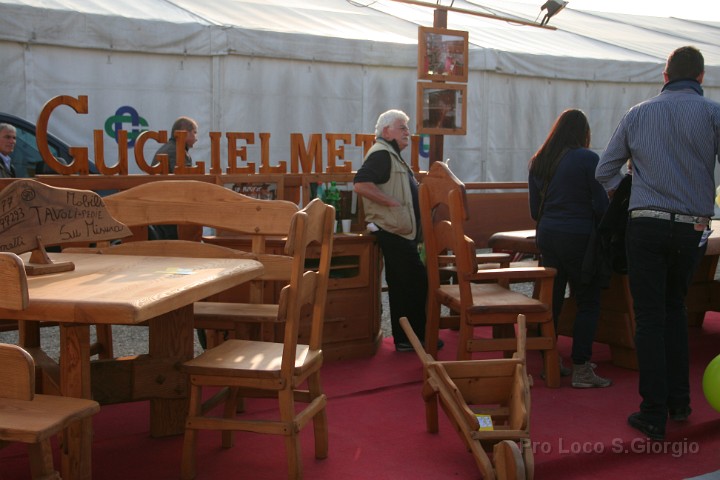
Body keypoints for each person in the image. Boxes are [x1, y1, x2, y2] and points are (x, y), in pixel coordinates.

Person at [596, 46, 720, 441]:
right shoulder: (713, 112)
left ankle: (652, 413)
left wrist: (626, 192)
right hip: (692, 227)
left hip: (646, 224)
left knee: (649, 317)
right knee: (675, 309)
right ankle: (680, 402)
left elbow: (604, 170)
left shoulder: (638, 113)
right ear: (700, 77)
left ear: (665, 76)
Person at [528, 108, 612, 388]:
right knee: (587, 300)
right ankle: (581, 368)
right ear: (583, 133)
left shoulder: (539, 161)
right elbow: (601, 206)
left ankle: (551, 363)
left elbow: (534, 210)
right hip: (579, 238)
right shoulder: (587, 158)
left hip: (548, 235)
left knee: (552, 300)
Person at [353, 109, 441, 352]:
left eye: (407, 128)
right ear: (386, 131)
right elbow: (361, 184)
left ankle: (406, 339)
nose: (407, 132)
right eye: (402, 128)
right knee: (415, 281)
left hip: (398, 229)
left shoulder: (391, 154)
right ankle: (415, 338)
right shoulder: (382, 154)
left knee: (404, 284)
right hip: (392, 229)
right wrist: (392, 203)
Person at [151, 116, 199, 240]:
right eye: (194, 132)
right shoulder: (177, 151)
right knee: (174, 243)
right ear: (184, 132)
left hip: (160, 207)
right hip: (169, 209)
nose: (196, 138)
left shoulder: (168, 148)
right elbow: (186, 182)